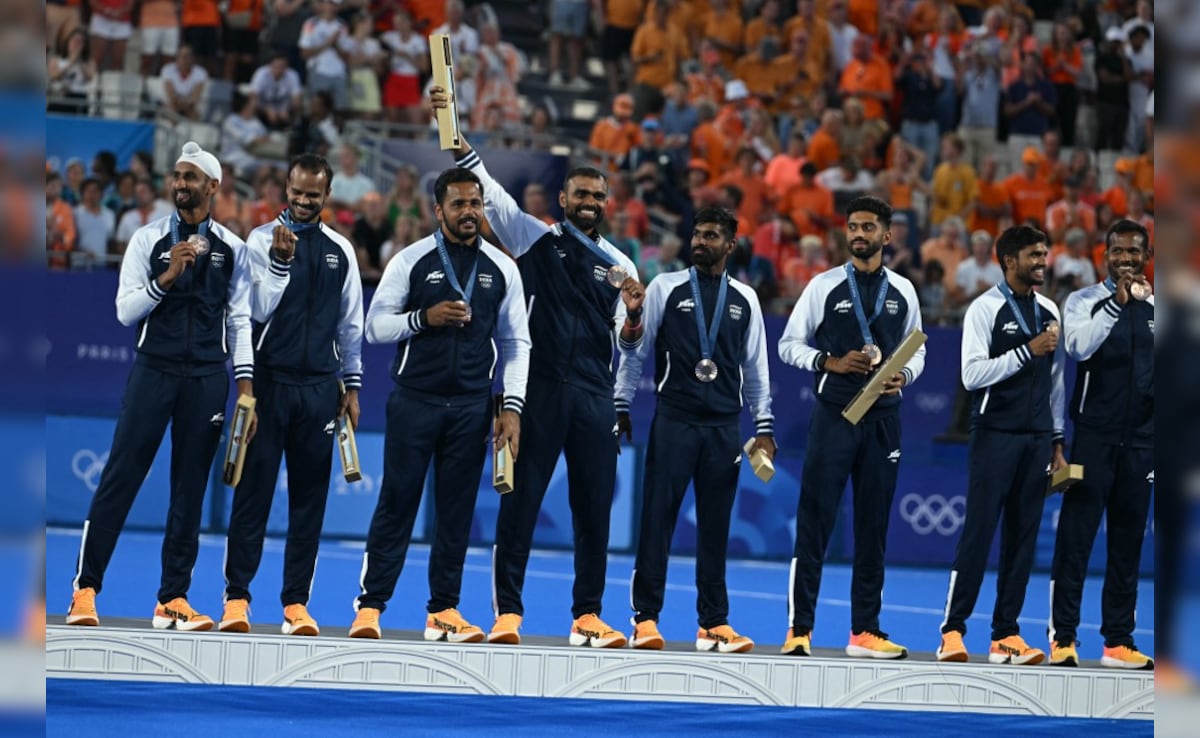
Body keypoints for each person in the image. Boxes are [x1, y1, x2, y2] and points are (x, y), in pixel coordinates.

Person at [430, 85, 644, 647]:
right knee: (520, 502)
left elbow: (627, 343)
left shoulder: (621, 265)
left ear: (607, 203)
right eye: (581, 194)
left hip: (594, 394)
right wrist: (453, 129)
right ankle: (509, 613)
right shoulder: (534, 237)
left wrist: (634, 320)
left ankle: (587, 616)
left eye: (598, 195)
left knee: (594, 511)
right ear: (564, 198)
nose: (589, 202)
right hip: (542, 388)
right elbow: (487, 186)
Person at [66, 142, 254, 631]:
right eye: (177, 176)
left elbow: (239, 321)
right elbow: (124, 311)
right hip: (154, 370)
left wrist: (245, 386)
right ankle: (85, 589)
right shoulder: (147, 239)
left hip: (207, 379)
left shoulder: (233, 249)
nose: (180, 184)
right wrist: (166, 277)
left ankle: (173, 598)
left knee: (190, 490)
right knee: (121, 478)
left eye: (190, 177)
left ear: (213, 186)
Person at [347, 168, 531, 640]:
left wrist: (512, 407)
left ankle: (443, 610)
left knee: (456, 512)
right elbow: (375, 328)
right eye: (459, 204)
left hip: (472, 407)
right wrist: (422, 318)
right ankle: (370, 607)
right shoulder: (411, 260)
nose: (469, 212)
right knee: (397, 504)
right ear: (438, 210)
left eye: (475, 204)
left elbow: (517, 343)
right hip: (415, 401)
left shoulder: (502, 268)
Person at [614, 206, 775, 652]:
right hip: (675, 420)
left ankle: (714, 623)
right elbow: (633, 349)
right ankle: (646, 619)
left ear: (731, 244)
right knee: (657, 522)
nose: (701, 241)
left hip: (724, 427)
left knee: (717, 527)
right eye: (697, 233)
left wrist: (764, 424)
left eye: (711, 235)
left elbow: (756, 368)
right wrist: (621, 403)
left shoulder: (745, 298)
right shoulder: (665, 288)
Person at [220, 154, 364, 636]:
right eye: (297, 192)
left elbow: (351, 325)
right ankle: (236, 598)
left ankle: (296, 604)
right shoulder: (259, 241)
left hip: (320, 389)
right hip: (269, 384)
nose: (303, 201)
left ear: (327, 195)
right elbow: (250, 314)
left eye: (313, 194)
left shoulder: (341, 251)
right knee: (253, 496)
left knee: (309, 503)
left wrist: (353, 385)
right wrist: (246, 389)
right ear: (286, 188)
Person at [777, 195, 925, 659]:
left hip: (883, 420)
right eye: (853, 227)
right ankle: (800, 629)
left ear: (887, 235)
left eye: (868, 227)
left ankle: (865, 631)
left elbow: (918, 348)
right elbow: (788, 344)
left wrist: (905, 375)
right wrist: (830, 361)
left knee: (873, 527)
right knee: (815, 523)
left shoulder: (903, 290)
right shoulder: (823, 286)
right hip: (835, 417)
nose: (859, 235)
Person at [937, 224, 1067, 666]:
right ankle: (952, 631)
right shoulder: (984, 309)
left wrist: (1057, 439)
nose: (1043, 261)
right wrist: (1027, 350)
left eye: (1044, 254)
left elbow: (1055, 381)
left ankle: (1005, 635)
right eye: (1034, 255)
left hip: (1037, 439)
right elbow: (972, 375)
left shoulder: (1049, 309)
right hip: (994, 433)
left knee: (1022, 539)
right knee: (978, 533)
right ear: (1010, 261)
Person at [1048, 220, 1154, 670]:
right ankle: (1063, 638)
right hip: (1093, 437)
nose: (1126, 258)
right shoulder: (1082, 301)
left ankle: (1118, 641)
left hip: (1144, 443)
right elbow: (1078, 348)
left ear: (1147, 256)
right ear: (1104, 255)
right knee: (1075, 541)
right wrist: (1116, 303)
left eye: (1134, 251)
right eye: (1117, 251)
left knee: (1128, 545)